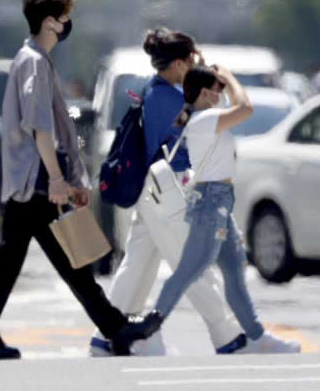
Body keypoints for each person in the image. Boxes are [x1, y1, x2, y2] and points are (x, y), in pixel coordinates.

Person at [0, 0, 136, 360]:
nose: (68, 23)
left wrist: (66, 179)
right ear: (50, 21)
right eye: (65, 16)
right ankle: (114, 326)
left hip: (33, 180)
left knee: (22, 259)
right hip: (35, 180)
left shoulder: (33, 59)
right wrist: (58, 179)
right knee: (58, 259)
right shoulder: (34, 62)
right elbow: (39, 125)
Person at [89, 28, 256, 356]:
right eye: (192, 60)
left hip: (155, 192)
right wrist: (213, 77)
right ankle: (226, 337)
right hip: (167, 192)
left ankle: (104, 336)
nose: (196, 65)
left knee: (137, 267)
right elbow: (212, 114)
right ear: (179, 63)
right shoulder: (168, 99)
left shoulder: (156, 92)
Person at [111, 66, 301, 355]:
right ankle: (149, 327)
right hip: (210, 201)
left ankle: (252, 337)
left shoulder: (204, 116)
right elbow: (245, 108)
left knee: (228, 270)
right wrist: (231, 78)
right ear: (204, 93)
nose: (221, 92)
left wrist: (215, 80)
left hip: (217, 200)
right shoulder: (206, 118)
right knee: (192, 273)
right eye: (217, 89)